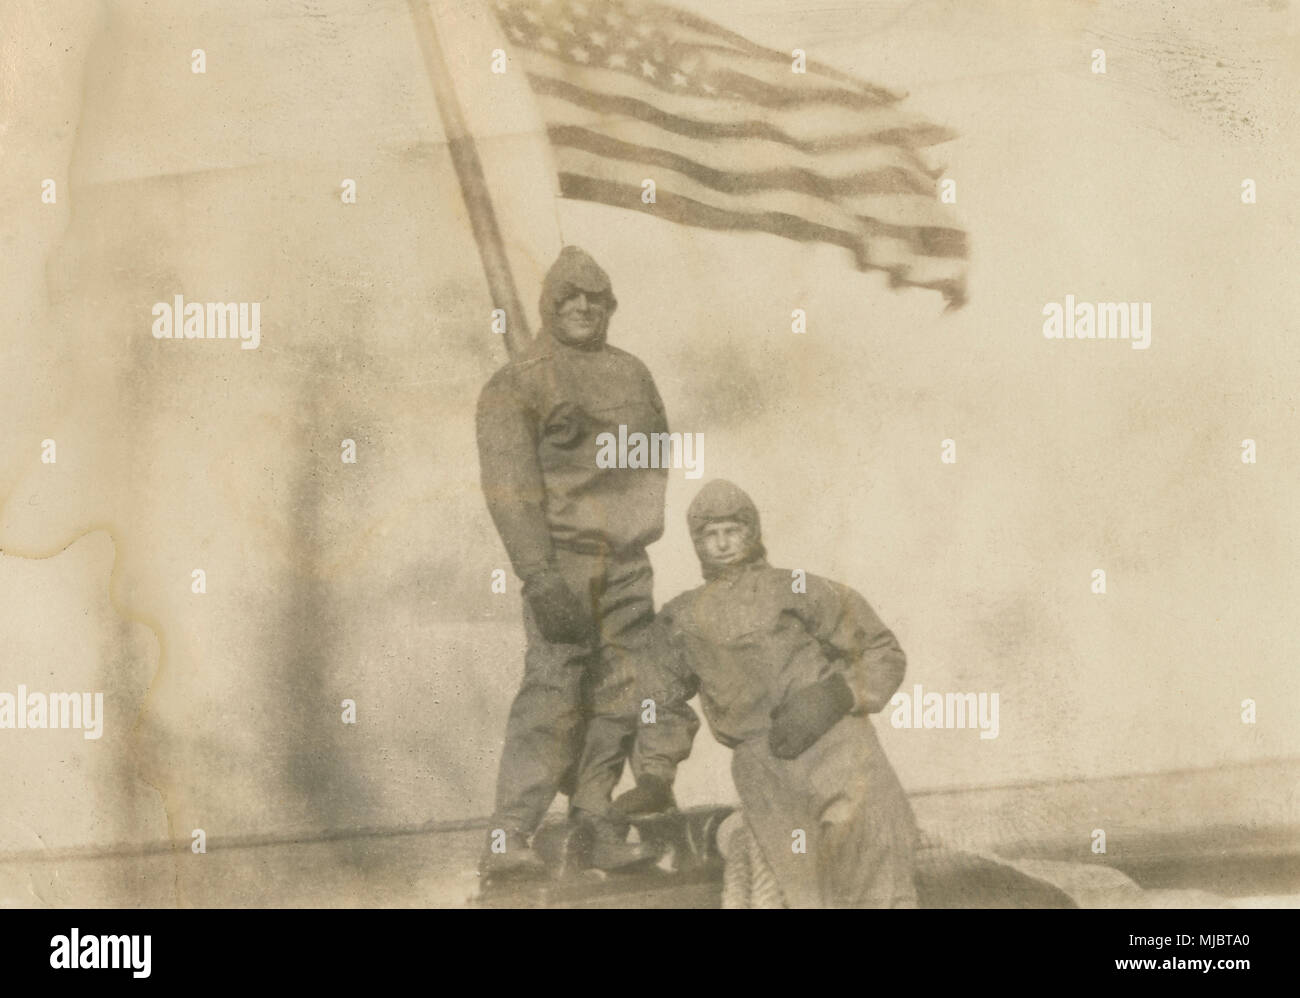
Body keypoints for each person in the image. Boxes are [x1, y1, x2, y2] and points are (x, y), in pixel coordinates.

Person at [474, 246, 697, 878]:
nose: (582, 308)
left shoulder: (632, 374)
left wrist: (632, 529)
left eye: (594, 299)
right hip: (562, 563)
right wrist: (538, 575)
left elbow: (653, 458)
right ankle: (507, 838)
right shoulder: (517, 381)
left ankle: (595, 825)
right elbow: (509, 485)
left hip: (626, 561)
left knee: (621, 697)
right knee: (552, 695)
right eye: (568, 298)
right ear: (549, 306)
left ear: (609, 307)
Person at [653, 479, 919, 907]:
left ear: (751, 531)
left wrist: (837, 695)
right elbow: (660, 699)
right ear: (697, 542)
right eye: (710, 534)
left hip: (835, 743)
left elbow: (882, 651)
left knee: (877, 875)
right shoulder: (680, 617)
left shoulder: (797, 586)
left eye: (732, 530)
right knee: (803, 892)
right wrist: (653, 774)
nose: (722, 543)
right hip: (762, 764)